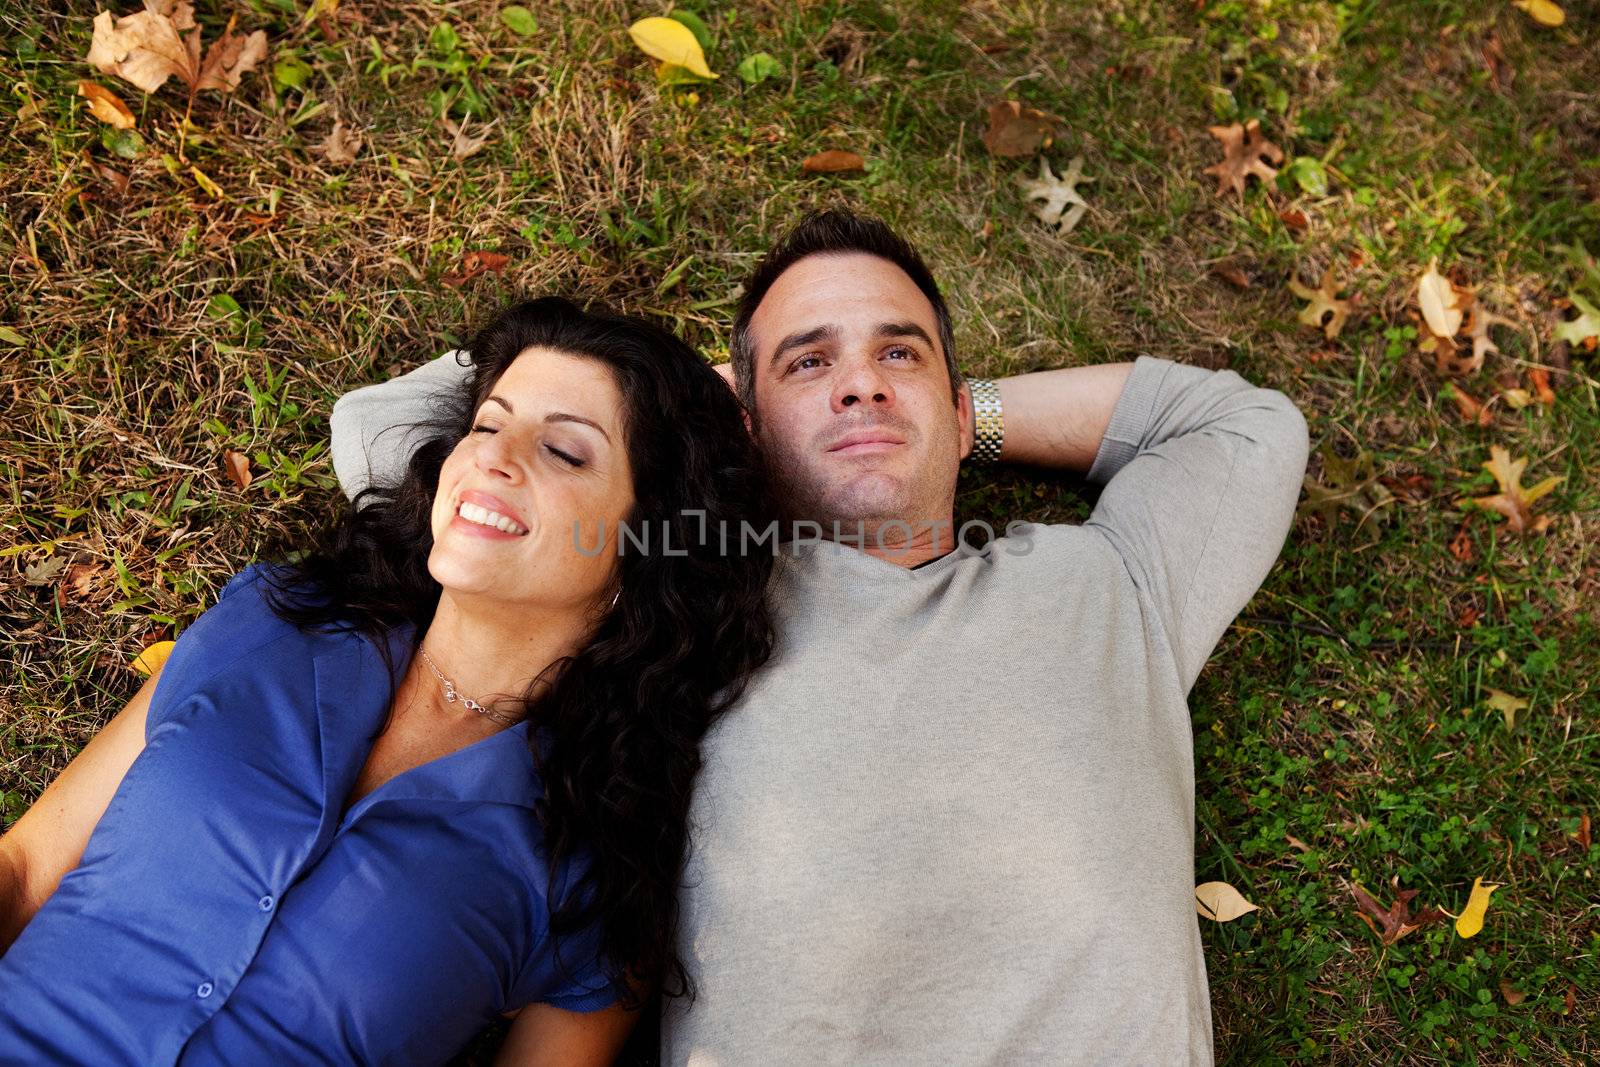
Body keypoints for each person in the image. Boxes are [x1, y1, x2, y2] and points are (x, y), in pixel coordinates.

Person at [331, 211, 1311, 1065]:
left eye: (901, 353)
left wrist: (976, 415)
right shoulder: (677, 585)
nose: (861, 387)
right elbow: (380, 434)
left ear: (959, 409)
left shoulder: (1115, 579)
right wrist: (671, 404)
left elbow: (1242, 427)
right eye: (809, 361)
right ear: (743, 425)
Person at [0, 297, 775, 1065]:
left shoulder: (596, 859)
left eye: (565, 452)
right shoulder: (272, 623)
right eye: (487, 424)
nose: (494, 457)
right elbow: (26, 869)